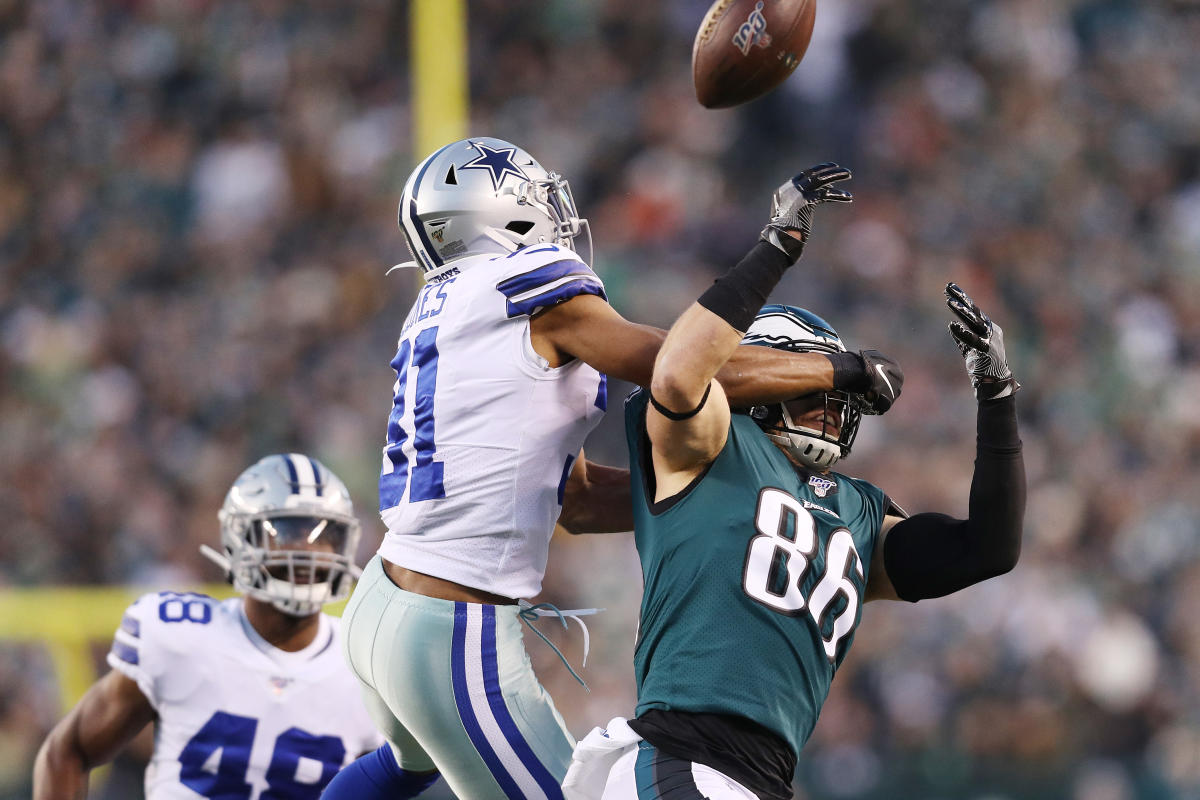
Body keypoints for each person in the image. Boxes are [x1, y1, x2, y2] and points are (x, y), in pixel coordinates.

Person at [324, 139, 903, 800]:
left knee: (407, 769)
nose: (557, 214)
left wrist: (722, 501)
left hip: (385, 601)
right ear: (501, 214)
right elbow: (678, 372)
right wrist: (843, 369)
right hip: (450, 628)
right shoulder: (529, 280)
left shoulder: (447, 302)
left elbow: (572, 500)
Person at [563, 164, 1025, 799]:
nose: (833, 410)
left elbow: (988, 550)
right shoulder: (717, 444)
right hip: (683, 753)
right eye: (813, 393)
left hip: (760, 778)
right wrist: (777, 248)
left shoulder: (858, 509)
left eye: (838, 400)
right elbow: (677, 375)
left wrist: (996, 397)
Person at [33, 454, 386, 800]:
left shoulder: (364, 662)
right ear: (240, 538)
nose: (310, 549)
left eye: (326, 534)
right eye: (288, 530)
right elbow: (67, 752)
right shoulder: (181, 636)